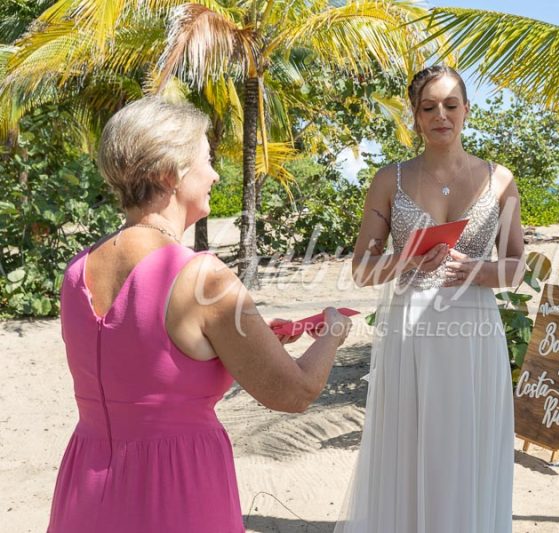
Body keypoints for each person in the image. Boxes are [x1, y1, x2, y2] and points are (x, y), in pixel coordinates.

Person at [48, 96, 352, 533]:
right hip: (174, 489)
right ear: (171, 173)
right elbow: (295, 392)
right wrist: (333, 332)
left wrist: (243, 342)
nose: (214, 174)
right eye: (206, 160)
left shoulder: (77, 270)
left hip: (87, 485)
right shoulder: (201, 275)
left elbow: (138, 359)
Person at [335, 66, 525, 533]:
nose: (441, 115)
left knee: (467, 445)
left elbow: (517, 266)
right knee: (410, 444)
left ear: (466, 110)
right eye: (428, 107)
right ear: (416, 118)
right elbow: (361, 269)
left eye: (450, 104)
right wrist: (403, 259)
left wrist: (477, 271)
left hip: (474, 329)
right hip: (409, 329)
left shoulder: (500, 180)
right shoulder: (389, 180)